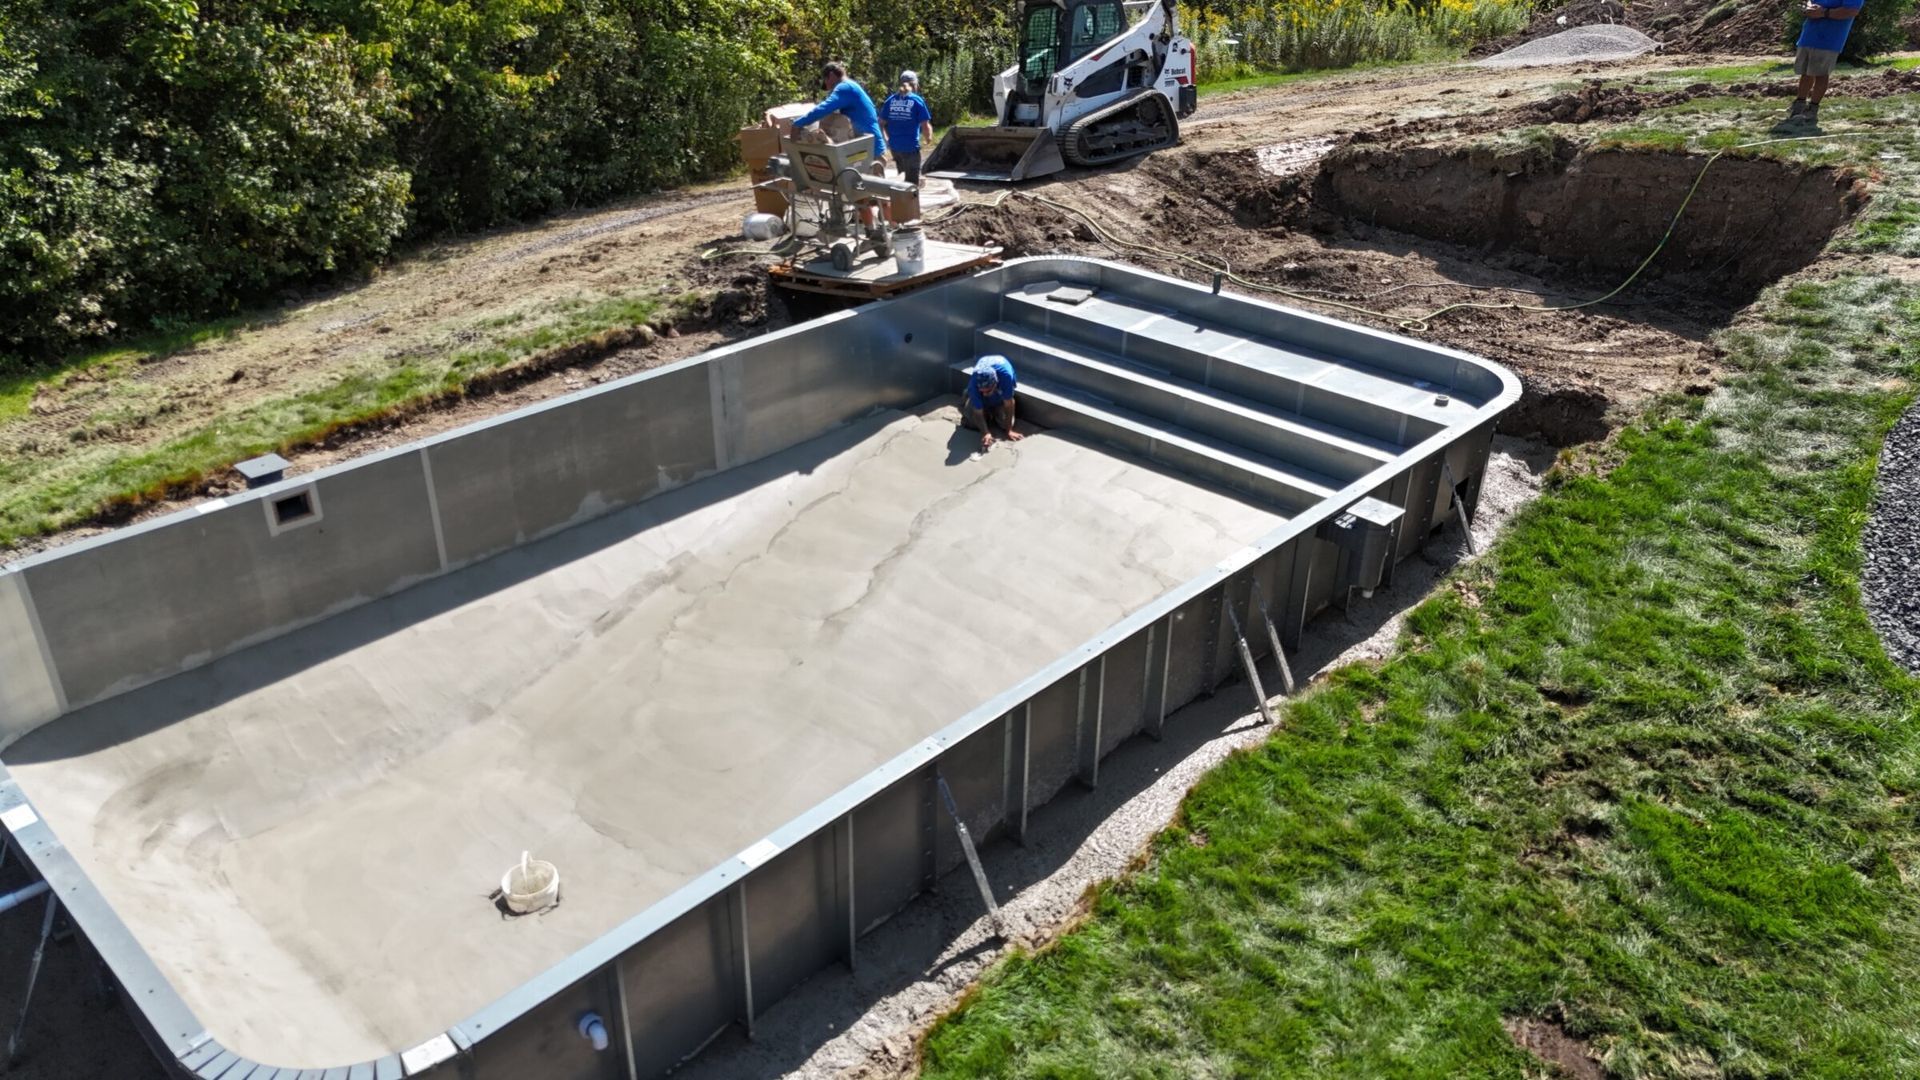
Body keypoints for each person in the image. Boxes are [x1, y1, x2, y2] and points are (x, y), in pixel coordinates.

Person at [1777, 0, 1864, 131]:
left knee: (1821, 74)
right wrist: (1809, 7)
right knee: (1806, 72)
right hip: (1809, 35)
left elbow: (1852, 11)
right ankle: (1799, 106)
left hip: (1829, 38)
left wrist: (1824, 13)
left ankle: (1812, 110)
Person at [791, 61, 886, 156]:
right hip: (868, 144)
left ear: (831, 75)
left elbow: (823, 108)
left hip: (869, 148)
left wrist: (798, 124)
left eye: (826, 81)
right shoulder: (850, 85)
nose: (828, 87)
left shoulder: (845, 88)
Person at [881, 71, 935, 186]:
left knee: (902, 178)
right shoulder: (916, 100)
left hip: (895, 148)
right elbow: (925, 125)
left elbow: (881, 123)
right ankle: (911, 197)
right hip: (910, 148)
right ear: (915, 85)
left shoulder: (890, 100)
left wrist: (886, 140)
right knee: (912, 184)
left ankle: (901, 196)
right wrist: (928, 138)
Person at [962, 355, 1023, 450]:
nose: (985, 394)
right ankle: (970, 396)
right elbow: (977, 411)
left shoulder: (1006, 377)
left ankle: (1004, 397)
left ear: (995, 383)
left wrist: (1009, 430)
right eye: (982, 391)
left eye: (988, 391)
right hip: (978, 389)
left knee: (1005, 423)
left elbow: (1009, 404)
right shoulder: (974, 384)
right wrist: (985, 433)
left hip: (1001, 388)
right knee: (971, 423)